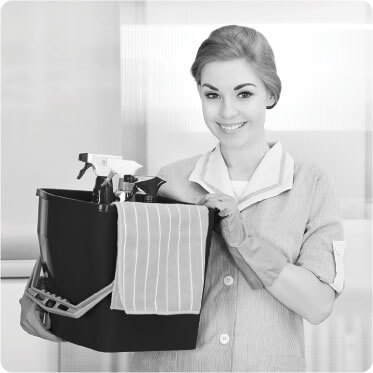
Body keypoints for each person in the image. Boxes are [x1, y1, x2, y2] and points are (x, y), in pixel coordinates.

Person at [20, 25, 345, 372]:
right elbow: (107, 257)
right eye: (212, 95)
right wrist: (37, 291)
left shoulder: (310, 185)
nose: (227, 112)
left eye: (244, 94)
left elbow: (318, 304)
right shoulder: (172, 180)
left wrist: (244, 243)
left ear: (270, 93)